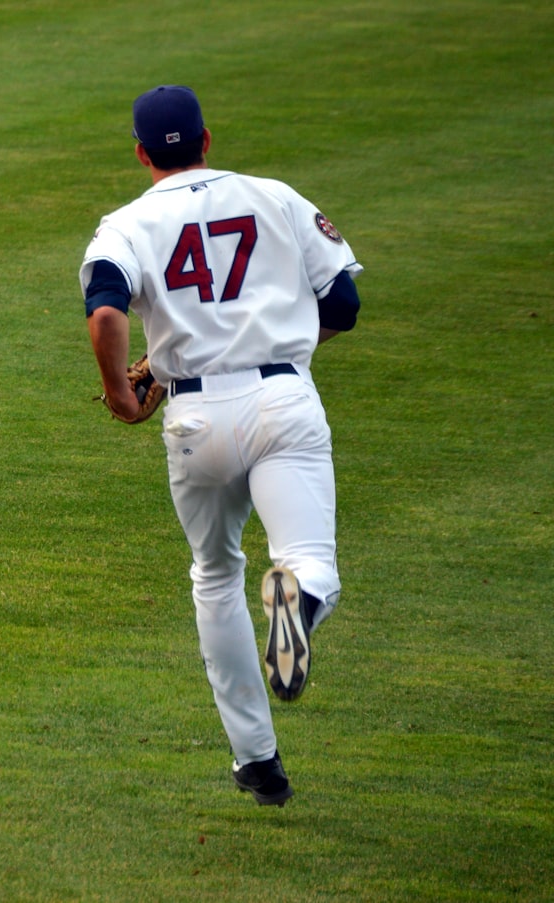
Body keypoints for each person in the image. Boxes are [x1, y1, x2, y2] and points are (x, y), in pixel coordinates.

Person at [79, 85, 362, 806]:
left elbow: (106, 308)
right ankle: (296, 606)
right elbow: (343, 306)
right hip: (282, 401)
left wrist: (119, 390)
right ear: (207, 139)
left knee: (213, 573)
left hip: (194, 418)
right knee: (307, 562)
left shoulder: (126, 223)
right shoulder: (274, 196)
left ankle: (257, 759)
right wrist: (284, 348)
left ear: (142, 154)